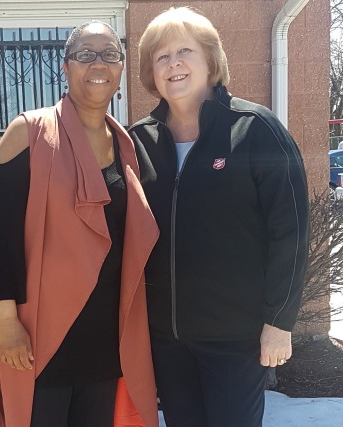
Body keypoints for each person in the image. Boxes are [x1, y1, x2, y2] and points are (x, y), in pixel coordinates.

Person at [128, 7, 310, 427]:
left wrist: (279, 323)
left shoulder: (255, 129)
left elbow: (291, 230)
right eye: (161, 56)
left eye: (184, 51)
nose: (173, 63)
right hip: (168, 340)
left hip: (235, 338)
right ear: (150, 72)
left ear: (210, 60)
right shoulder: (139, 141)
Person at [0, 21, 159, 427]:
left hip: (105, 340)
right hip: (41, 336)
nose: (98, 64)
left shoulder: (127, 146)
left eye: (109, 54)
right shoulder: (28, 133)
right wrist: (6, 322)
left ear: (122, 67)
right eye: (85, 54)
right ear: (65, 66)